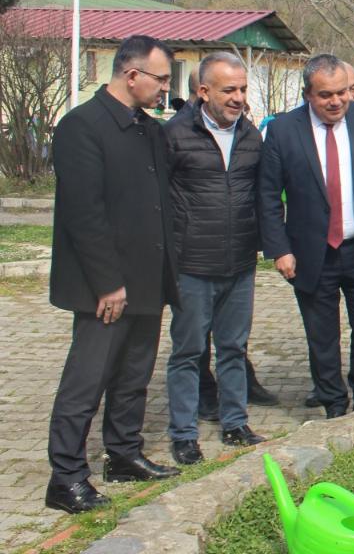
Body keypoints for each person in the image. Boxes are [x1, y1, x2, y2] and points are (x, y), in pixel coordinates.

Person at [46, 35, 182, 514]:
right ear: (131, 75)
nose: (166, 87)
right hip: (104, 286)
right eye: (161, 78)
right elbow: (85, 214)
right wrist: (108, 283)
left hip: (148, 278)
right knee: (87, 382)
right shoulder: (81, 126)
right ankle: (66, 477)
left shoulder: (149, 129)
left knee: (133, 377)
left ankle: (123, 454)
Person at [258, 54, 354, 419]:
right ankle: (334, 406)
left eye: (342, 92)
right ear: (308, 94)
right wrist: (279, 249)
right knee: (322, 338)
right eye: (326, 95)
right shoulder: (283, 130)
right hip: (312, 253)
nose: (336, 101)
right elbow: (267, 196)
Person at [163, 52, 267, 465]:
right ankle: (184, 434)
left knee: (233, 348)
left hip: (240, 263)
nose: (239, 97)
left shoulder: (250, 136)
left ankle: (235, 423)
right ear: (203, 91)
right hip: (192, 266)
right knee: (188, 352)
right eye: (229, 90)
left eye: (242, 89)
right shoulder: (174, 136)